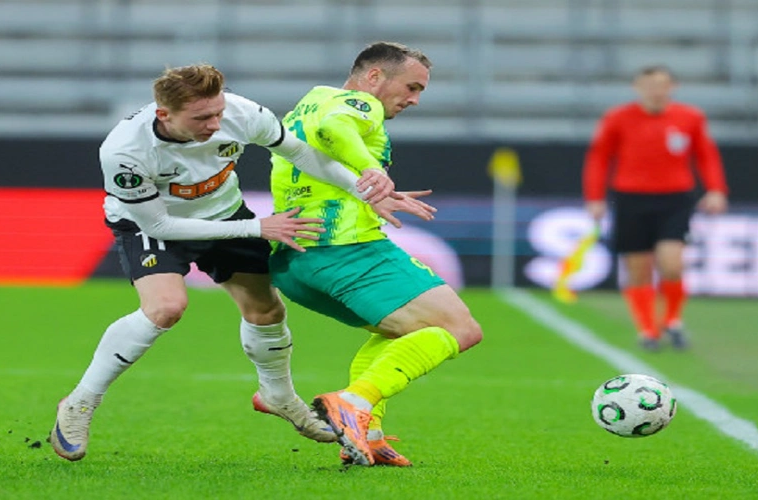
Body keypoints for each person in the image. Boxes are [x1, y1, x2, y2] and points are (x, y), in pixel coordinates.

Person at [49, 64, 400, 462]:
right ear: (164, 114)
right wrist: (257, 228)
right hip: (155, 224)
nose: (215, 124)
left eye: (218, 112)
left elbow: (300, 153)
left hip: (224, 213)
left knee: (266, 311)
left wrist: (364, 190)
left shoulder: (241, 112)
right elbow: (160, 224)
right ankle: (80, 402)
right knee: (165, 308)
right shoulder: (125, 151)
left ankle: (279, 396)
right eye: (202, 118)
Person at [268, 41, 484, 466]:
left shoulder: (308, 103)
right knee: (461, 328)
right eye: (411, 87)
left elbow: (319, 149)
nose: (414, 100)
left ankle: (368, 431)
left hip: (296, 262)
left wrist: (363, 189)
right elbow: (336, 128)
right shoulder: (359, 104)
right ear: (373, 76)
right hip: (346, 250)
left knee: (400, 332)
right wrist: (370, 168)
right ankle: (354, 403)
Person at [582, 65, 729, 352]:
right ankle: (648, 330)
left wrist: (716, 189)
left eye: (662, 85)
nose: (655, 91)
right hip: (631, 198)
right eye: (649, 85)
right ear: (637, 88)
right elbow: (599, 158)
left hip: (675, 198)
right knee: (638, 268)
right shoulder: (618, 118)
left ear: (672, 87)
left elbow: (705, 155)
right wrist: (595, 197)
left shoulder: (690, 117)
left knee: (672, 264)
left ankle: (672, 320)